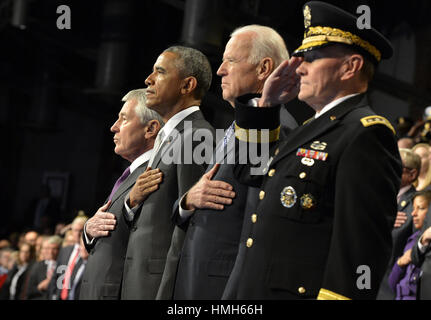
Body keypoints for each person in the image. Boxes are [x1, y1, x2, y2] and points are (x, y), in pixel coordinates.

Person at [224, 1, 402, 300]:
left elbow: (359, 250)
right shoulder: (313, 127)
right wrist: (266, 107)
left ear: (350, 66)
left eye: (312, 57)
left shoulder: (366, 133)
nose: (300, 67)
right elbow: (251, 171)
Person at [171, 25, 298, 300]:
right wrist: (187, 201)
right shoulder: (236, 128)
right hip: (196, 281)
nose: (220, 70)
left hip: (225, 290)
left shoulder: (276, 131)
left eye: (230, 60)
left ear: (264, 68)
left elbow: (255, 233)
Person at [121, 46, 215, 300]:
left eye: (160, 72)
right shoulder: (171, 135)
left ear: (187, 86)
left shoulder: (196, 135)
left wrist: (169, 292)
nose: (148, 79)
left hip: (161, 287)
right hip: (140, 282)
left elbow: (190, 226)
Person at [79, 89, 164, 300]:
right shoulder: (129, 175)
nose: (113, 127)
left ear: (151, 129)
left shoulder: (157, 172)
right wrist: (88, 230)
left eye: (123, 119)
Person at [378, 148, 421, 299]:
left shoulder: (417, 204)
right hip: (366, 272)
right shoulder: (379, 195)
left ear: (412, 174)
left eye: (395, 166)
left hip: (392, 282)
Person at [388, 190, 431, 299]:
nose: (413, 213)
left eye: (421, 208)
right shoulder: (412, 240)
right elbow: (392, 284)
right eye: (413, 208)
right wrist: (400, 262)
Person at [47, 214, 87, 300]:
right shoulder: (65, 250)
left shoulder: (88, 253)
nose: (78, 234)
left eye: (80, 231)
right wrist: (54, 295)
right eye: (75, 230)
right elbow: (58, 275)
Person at [25, 235, 62, 300]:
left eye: (54, 249)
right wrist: (39, 287)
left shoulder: (62, 265)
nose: (51, 252)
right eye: (48, 248)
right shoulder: (37, 266)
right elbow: (28, 290)